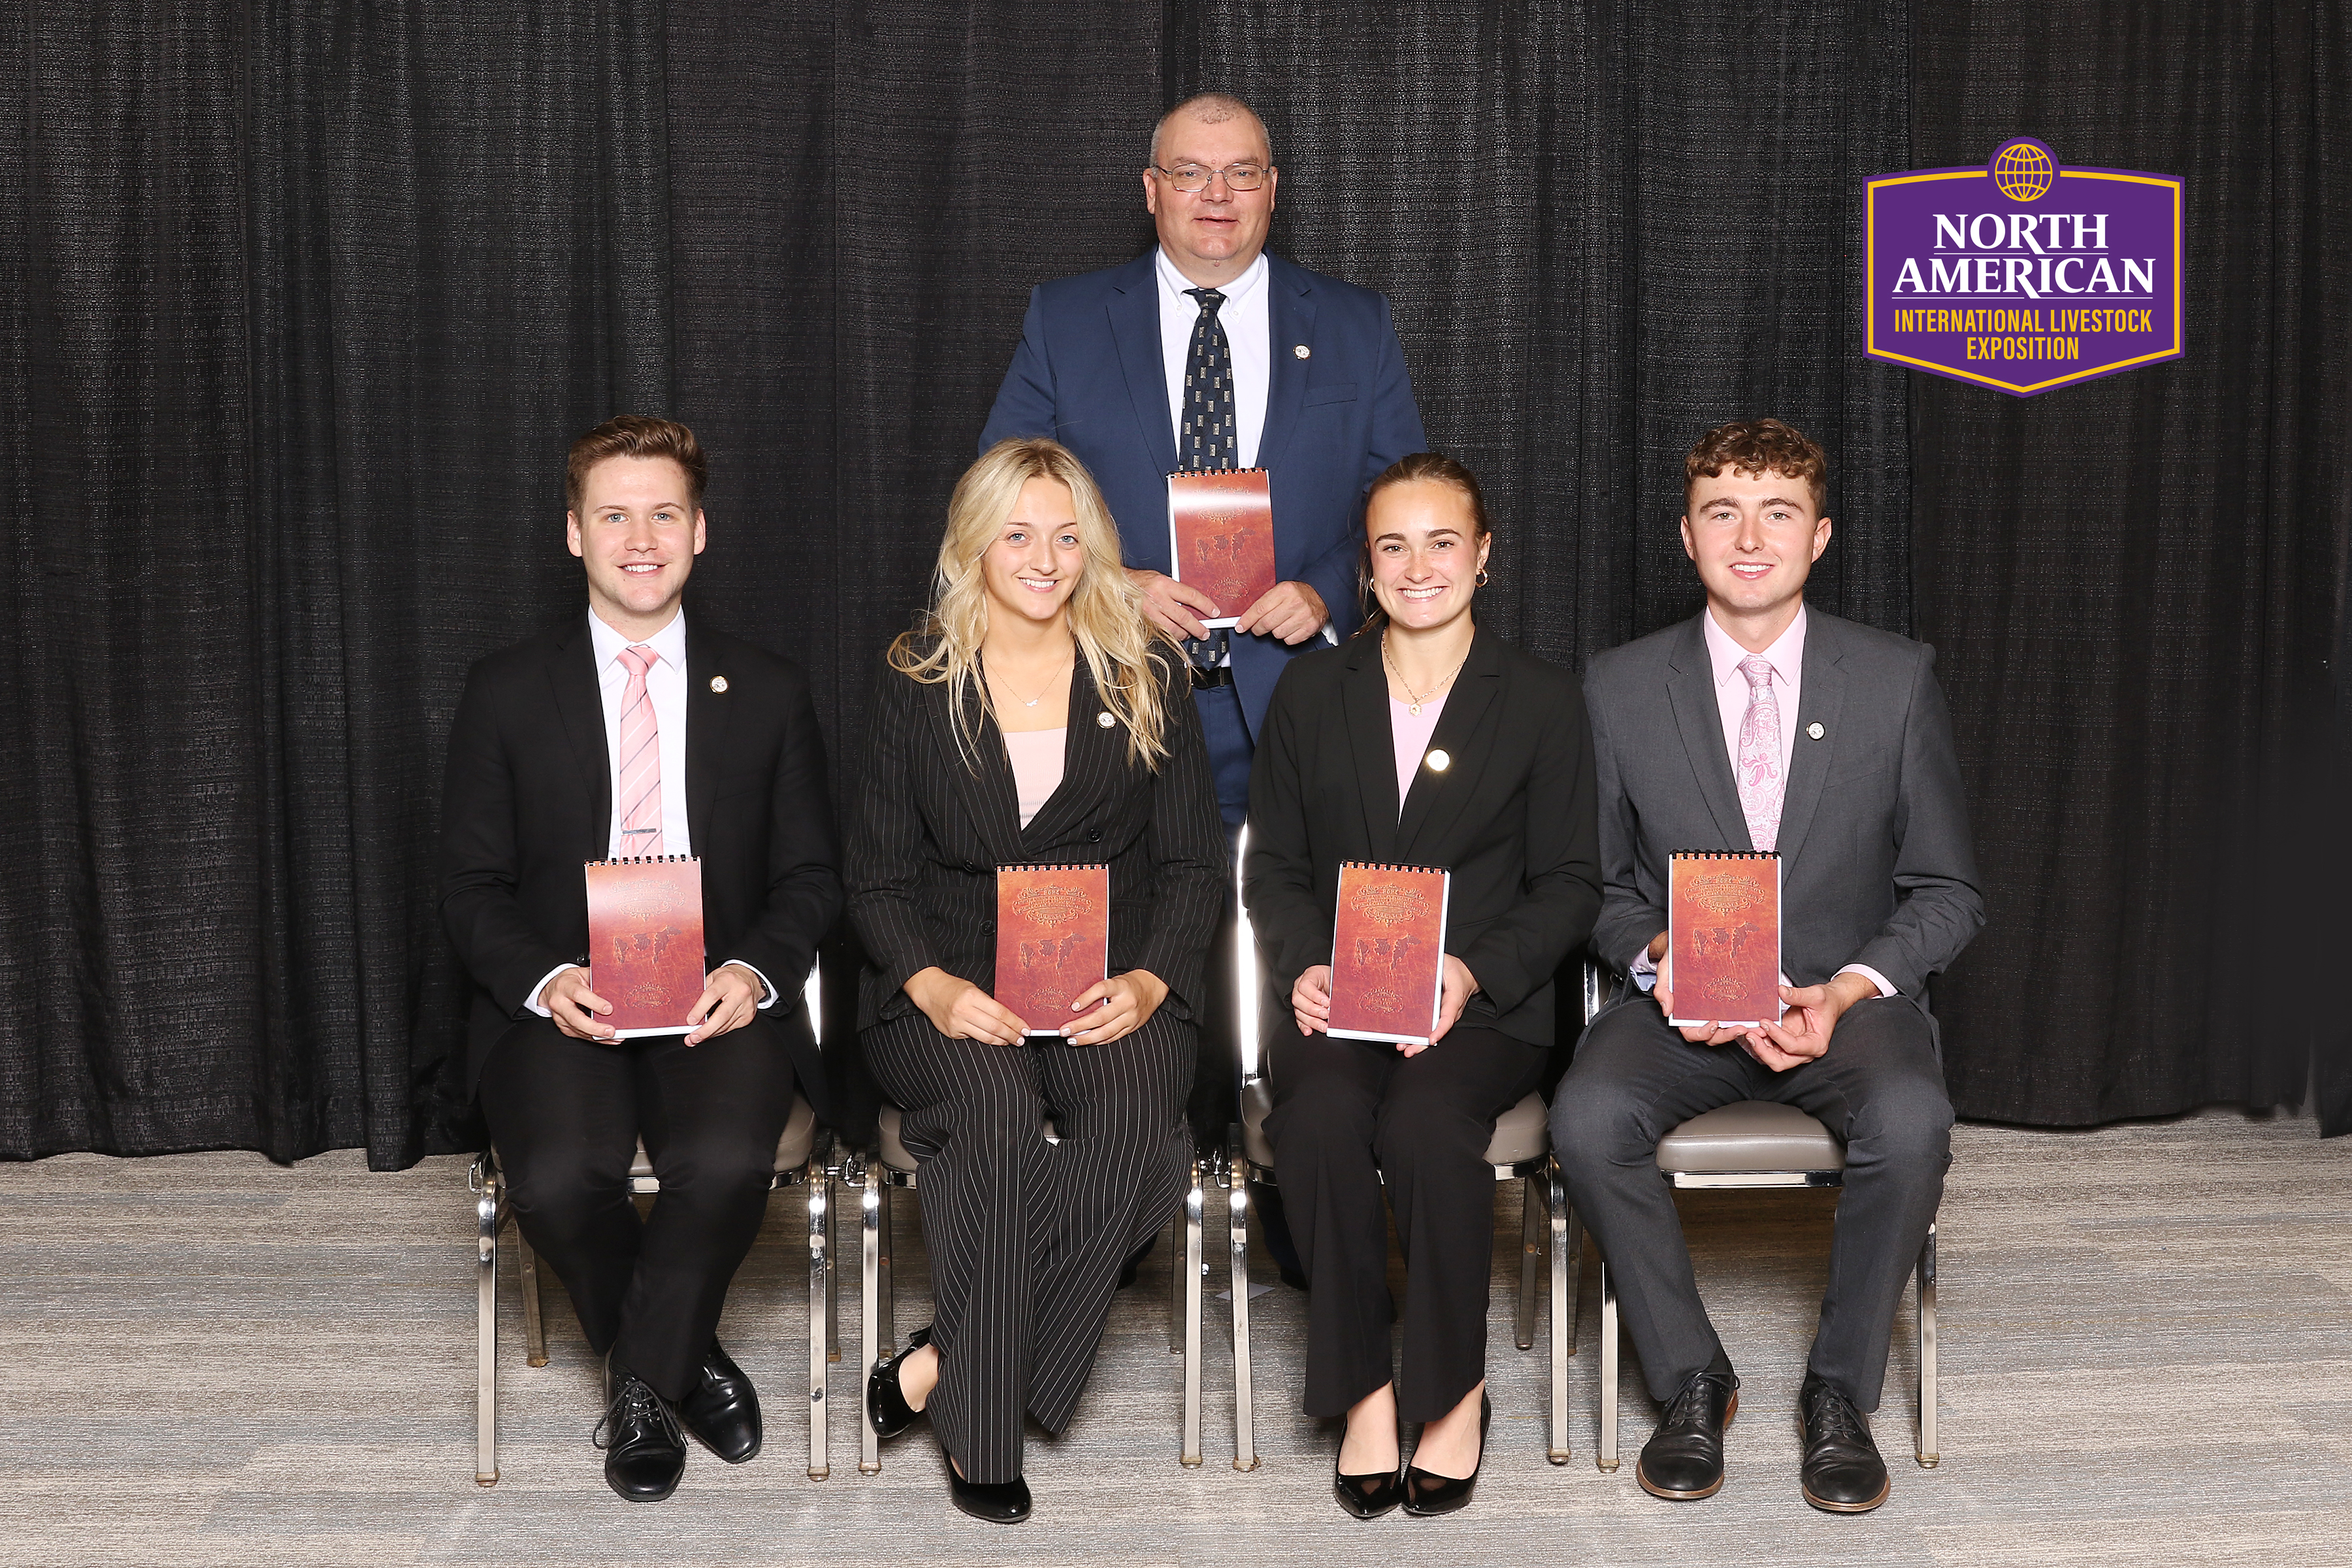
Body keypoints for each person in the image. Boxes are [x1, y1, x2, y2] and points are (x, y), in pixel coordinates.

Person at [1552, 417, 1982, 1514]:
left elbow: (1948, 891)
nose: (1750, 538)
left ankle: (1839, 1393)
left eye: (1778, 513)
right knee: (1589, 1122)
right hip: (1682, 1009)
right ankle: (1692, 1375)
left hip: (1842, 1001)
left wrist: (1848, 989)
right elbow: (1597, 888)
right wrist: (1666, 956)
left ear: (1821, 535)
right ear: (1685, 536)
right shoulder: (1616, 686)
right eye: (1723, 513)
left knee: (1914, 1120)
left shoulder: (1895, 679)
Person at [440, 415, 842, 1502]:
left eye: (665, 513)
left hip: (716, 994)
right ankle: (682, 1363)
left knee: (720, 1167)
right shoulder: (506, 690)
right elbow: (469, 888)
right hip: (564, 997)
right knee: (560, 1178)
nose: (641, 537)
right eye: (614, 515)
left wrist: (752, 972)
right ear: (574, 534)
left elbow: (812, 877)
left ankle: (638, 1387)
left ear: (701, 532)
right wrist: (543, 980)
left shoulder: (768, 689)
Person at [848, 437, 1225, 1524]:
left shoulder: (1143, 669)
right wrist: (928, 985)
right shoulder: (915, 677)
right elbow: (873, 876)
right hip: (949, 981)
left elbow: (1196, 863)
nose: (1045, 557)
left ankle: (945, 1365)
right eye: (1018, 533)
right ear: (973, 546)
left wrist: (1154, 982)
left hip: (1114, 979)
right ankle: (982, 1436)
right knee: (998, 1116)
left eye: (1068, 535)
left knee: (1144, 1143)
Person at [1242, 453, 1601, 1518]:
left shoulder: (1541, 698)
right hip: (1334, 990)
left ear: (1483, 556)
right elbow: (1275, 868)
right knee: (1317, 1123)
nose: (1418, 565)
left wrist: (1469, 971)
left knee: (1430, 1122)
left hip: (1482, 1000)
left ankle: (1452, 1391)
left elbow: (1572, 882)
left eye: (1442, 541)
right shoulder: (1314, 689)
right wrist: (1308, 961)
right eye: (1393, 545)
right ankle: (1362, 1386)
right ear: (1367, 565)